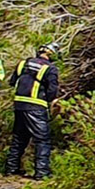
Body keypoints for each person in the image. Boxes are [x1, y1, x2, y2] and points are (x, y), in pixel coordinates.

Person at [5, 41, 60, 180]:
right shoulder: (50, 69)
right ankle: (42, 172)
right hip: (36, 106)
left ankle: (11, 169)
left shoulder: (23, 63)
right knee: (42, 139)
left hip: (19, 104)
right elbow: (52, 92)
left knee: (19, 137)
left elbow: (12, 82)